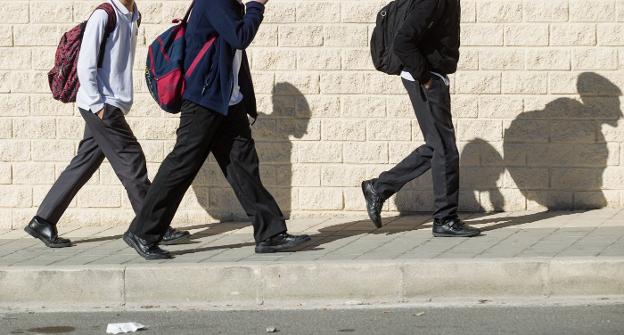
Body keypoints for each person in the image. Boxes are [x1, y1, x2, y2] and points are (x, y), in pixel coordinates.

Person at [124, 0, 311, 259]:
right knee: (181, 166)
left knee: (244, 167)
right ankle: (142, 232)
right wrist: (256, 6)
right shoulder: (215, 1)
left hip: (226, 101)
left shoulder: (227, 3)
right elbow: (240, 37)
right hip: (204, 102)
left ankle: (270, 234)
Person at [24, 0, 189, 248]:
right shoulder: (104, 14)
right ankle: (153, 225)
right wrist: (98, 104)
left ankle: (43, 220)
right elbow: (86, 64)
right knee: (132, 161)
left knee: (84, 162)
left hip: (109, 104)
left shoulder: (133, 15)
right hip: (101, 104)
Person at [362, 0, 481, 237]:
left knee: (437, 147)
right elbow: (402, 42)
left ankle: (379, 187)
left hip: (428, 76)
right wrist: (426, 77)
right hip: (425, 79)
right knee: (445, 149)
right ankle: (445, 219)